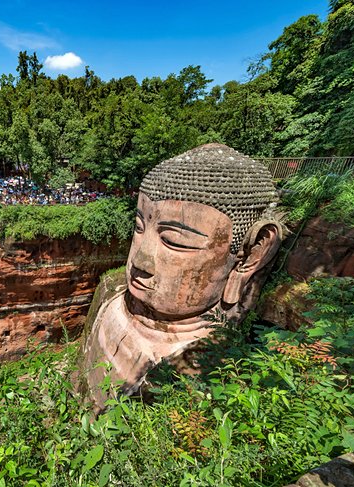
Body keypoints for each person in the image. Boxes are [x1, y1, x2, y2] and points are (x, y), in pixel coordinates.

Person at [81, 144, 282, 406]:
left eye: (174, 241)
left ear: (253, 253)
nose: (139, 261)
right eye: (139, 228)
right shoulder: (110, 297)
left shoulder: (207, 362)